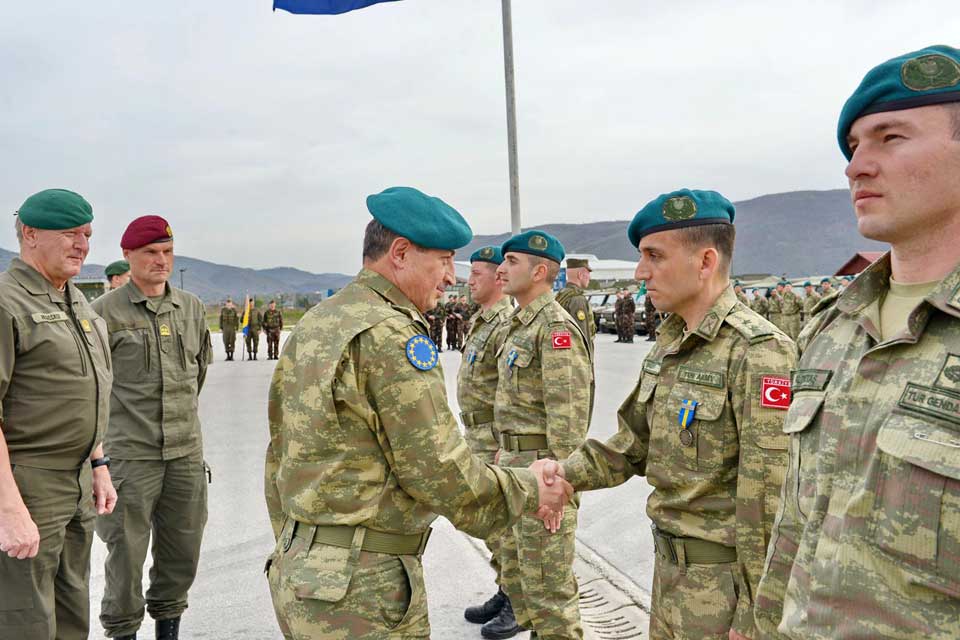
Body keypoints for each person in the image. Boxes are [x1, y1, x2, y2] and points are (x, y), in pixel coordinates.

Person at [263, 186, 573, 640]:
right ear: (402, 253)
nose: (452, 276)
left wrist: (304, 546)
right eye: (444, 259)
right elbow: (440, 472)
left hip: (301, 573)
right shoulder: (391, 335)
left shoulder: (320, 321)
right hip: (362, 590)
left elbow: (279, 455)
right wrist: (531, 489)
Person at [755, 44, 960, 640]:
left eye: (890, 138)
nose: (855, 167)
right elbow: (799, 517)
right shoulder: (834, 324)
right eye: (853, 147)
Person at [534, 189, 797, 640]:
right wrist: (564, 472)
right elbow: (633, 443)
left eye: (655, 257)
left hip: (724, 594)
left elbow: (772, 500)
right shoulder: (671, 343)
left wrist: (759, 617)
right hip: (670, 577)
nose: (641, 273)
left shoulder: (759, 352)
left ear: (706, 262)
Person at [0, 188, 116, 640]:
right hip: (28, 484)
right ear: (30, 234)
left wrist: (99, 464)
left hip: (77, 483)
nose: (82, 245)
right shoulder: (8, 302)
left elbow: (86, 392)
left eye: (86, 234)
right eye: (69, 233)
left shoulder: (74, 300)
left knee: (70, 618)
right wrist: (10, 510)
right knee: (25, 622)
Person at [93, 215, 213, 640]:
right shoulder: (102, 313)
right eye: (150, 253)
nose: (160, 261)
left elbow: (196, 375)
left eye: (167, 253)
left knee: (182, 553)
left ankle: (169, 630)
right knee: (124, 556)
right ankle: (123, 632)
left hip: (184, 455)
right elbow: (93, 389)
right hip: (131, 458)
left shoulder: (192, 308)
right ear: (128, 255)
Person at [489, 230, 594, 640]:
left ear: (541, 271)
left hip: (543, 478)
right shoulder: (520, 323)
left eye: (511, 261)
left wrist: (561, 485)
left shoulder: (554, 329)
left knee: (550, 595)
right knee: (524, 586)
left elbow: (568, 421)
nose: (501, 269)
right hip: (517, 471)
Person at [458, 246, 516, 629]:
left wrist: (501, 445)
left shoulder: (505, 324)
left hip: (493, 438)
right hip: (476, 434)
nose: (469, 280)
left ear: (498, 278)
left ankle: (518, 602)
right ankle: (506, 586)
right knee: (493, 526)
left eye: (477, 273)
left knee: (508, 527)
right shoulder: (483, 320)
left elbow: (510, 392)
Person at [554, 258, 596, 355]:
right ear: (580, 275)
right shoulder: (577, 300)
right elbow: (582, 337)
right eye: (588, 273)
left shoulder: (561, 295)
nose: (589, 277)